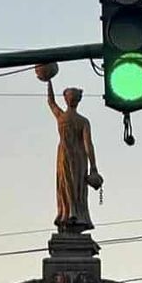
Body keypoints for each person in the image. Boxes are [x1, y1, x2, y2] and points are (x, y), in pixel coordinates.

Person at [42, 74, 103, 232]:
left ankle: (68, 213)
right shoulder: (83, 121)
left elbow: (50, 102)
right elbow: (88, 145)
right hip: (79, 158)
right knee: (76, 187)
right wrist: (93, 167)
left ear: (67, 99)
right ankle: (76, 213)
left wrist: (48, 80)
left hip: (65, 155)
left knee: (67, 185)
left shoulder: (61, 117)